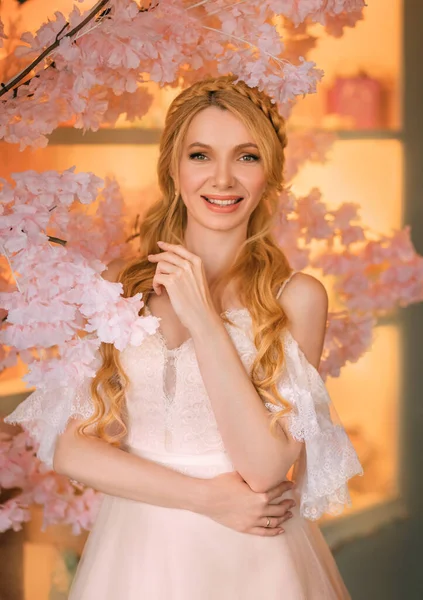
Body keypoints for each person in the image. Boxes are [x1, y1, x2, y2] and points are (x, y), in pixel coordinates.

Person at [5, 75, 363, 599]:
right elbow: (67, 446)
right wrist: (205, 498)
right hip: (137, 551)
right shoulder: (116, 287)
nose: (223, 179)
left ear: (270, 173)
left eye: (246, 157)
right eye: (200, 155)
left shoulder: (297, 298)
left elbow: (264, 469)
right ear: (173, 168)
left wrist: (202, 317)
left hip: (254, 558)